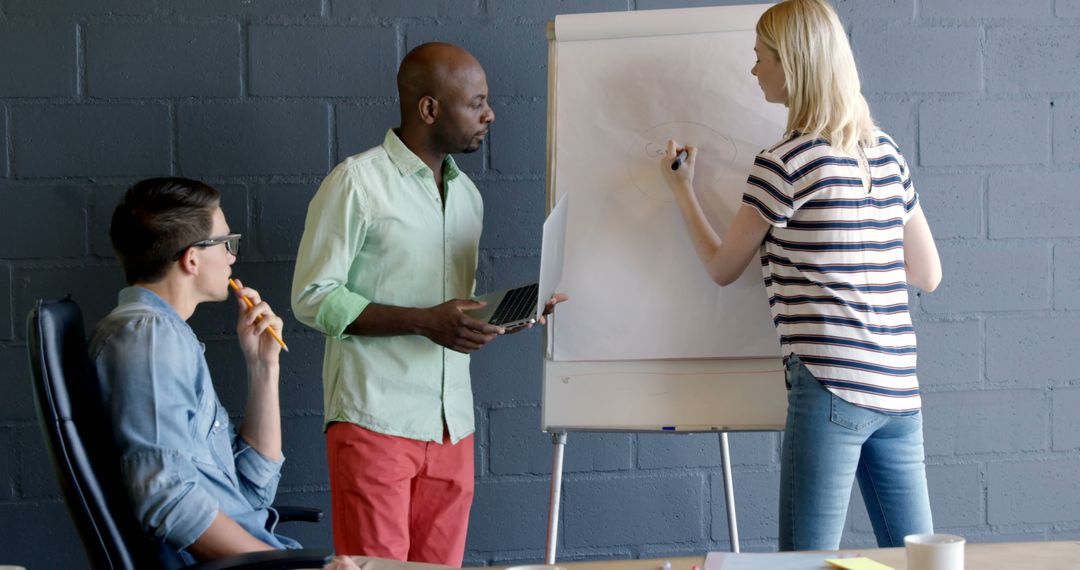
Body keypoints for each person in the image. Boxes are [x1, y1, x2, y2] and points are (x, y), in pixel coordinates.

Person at [659, 0, 942, 552]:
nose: (753, 69)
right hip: (898, 391)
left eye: (760, 57)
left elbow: (723, 268)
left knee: (805, 563)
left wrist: (683, 190)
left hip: (832, 386)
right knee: (917, 559)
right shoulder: (885, 154)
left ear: (793, 66)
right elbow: (927, 273)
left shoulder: (785, 162)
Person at [291, 42, 563, 566]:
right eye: (476, 102)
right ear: (429, 109)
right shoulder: (356, 183)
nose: (490, 114)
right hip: (374, 420)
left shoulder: (468, 197)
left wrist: (512, 315)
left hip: (451, 428)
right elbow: (312, 296)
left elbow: (452, 315)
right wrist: (424, 322)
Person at [90, 177, 356, 569]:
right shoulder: (150, 341)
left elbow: (252, 492)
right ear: (192, 259)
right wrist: (289, 567)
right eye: (226, 243)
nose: (232, 257)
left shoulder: (165, 337)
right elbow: (167, 497)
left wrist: (263, 366)